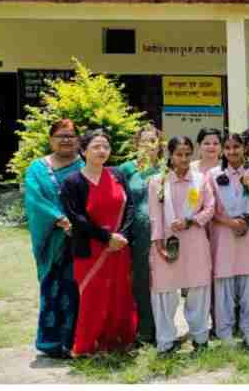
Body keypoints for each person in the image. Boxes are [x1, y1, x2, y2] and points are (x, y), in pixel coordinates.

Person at [58, 129, 137, 355]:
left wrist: (121, 235)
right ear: (83, 150)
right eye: (96, 146)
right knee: (93, 297)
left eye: (105, 146)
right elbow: (77, 218)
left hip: (119, 247)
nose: (102, 151)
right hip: (90, 249)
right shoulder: (72, 182)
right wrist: (106, 238)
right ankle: (87, 346)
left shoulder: (117, 175)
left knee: (120, 294)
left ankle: (119, 341)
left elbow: (129, 206)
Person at [23, 119, 84, 359]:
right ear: (51, 139)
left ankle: (76, 340)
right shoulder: (37, 168)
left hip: (81, 239)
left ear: (78, 139)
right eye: (60, 135)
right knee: (53, 289)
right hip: (53, 241)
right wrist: (59, 218)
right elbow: (34, 200)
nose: (66, 140)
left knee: (77, 289)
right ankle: (50, 342)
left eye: (70, 135)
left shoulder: (85, 164)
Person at [149, 134, 215, 354]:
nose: (184, 158)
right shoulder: (158, 181)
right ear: (170, 154)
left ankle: (200, 337)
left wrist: (191, 220)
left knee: (198, 288)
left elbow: (209, 208)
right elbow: (155, 216)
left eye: (188, 154)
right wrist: (158, 245)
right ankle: (166, 341)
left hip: (194, 238)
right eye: (179, 154)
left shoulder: (200, 179)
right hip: (167, 241)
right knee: (165, 291)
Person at [211, 133, 249, 347]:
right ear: (223, 150)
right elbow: (208, 209)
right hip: (224, 234)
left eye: (236, 147)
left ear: (244, 148)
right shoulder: (213, 174)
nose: (232, 151)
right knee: (224, 286)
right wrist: (230, 223)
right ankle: (225, 333)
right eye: (228, 147)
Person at [116, 123, 163, 345]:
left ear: (159, 144)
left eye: (152, 141)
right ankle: (144, 329)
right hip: (137, 234)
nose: (148, 145)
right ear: (136, 144)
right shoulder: (126, 169)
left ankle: (164, 328)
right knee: (141, 279)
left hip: (163, 232)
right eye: (143, 141)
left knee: (163, 280)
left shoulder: (166, 168)